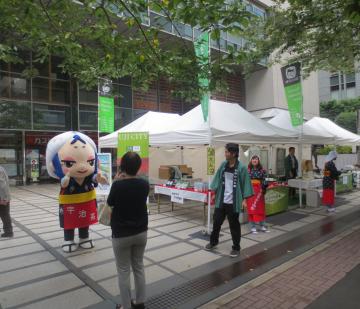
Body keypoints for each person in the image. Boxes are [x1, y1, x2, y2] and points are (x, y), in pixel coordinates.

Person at [46, 131, 107, 253]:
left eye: (90, 162)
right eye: (69, 163)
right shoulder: (67, 176)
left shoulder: (89, 175)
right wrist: (66, 179)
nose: (83, 167)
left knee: (84, 218)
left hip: (86, 199)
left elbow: (95, 178)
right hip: (69, 201)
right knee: (69, 219)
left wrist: (100, 178)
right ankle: (68, 239)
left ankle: (84, 237)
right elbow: (64, 183)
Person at [107, 152, 149, 309]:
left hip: (121, 234)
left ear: (122, 166)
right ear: (138, 167)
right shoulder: (144, 184)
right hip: (141, 232)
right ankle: (140, 302)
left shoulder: (118, 185)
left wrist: (117, 179)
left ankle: (126, 305)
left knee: (124, 270)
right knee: (138, 266)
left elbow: (110, 203)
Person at [205, 143, 253, 257]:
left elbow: (246, 184)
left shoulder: (241, 168)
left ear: (234, 154)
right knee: (216, 222)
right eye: (225, 151)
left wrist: (245, 200)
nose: (225, 154)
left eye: (227, 152)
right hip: (221, 199)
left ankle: (236, 247)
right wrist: (214, 192)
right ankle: (213, 242)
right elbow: (217, 179)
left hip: (234, 201)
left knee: (234, 225)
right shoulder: (223, 165)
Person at [246, 155, 269, 234]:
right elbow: (245, 181)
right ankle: (253, 227)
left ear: (258, 161)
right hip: (250, 191)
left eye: (256, 159)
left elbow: (265, 180)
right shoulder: (247, 170)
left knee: (260, 209)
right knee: (252, 209)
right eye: (253, 159)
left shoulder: (262, 170)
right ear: (251, 160)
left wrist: (264, 188)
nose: (254, 160)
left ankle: (262, 225)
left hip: (259, 191)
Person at [0, 166, 13, 237]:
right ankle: (8, 231)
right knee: (4, 214)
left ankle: (8, 232)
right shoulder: (1, 168)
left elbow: (2, 185)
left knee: (4, 215)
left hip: (2, 197)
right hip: (3, 196)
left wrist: (4, 198)